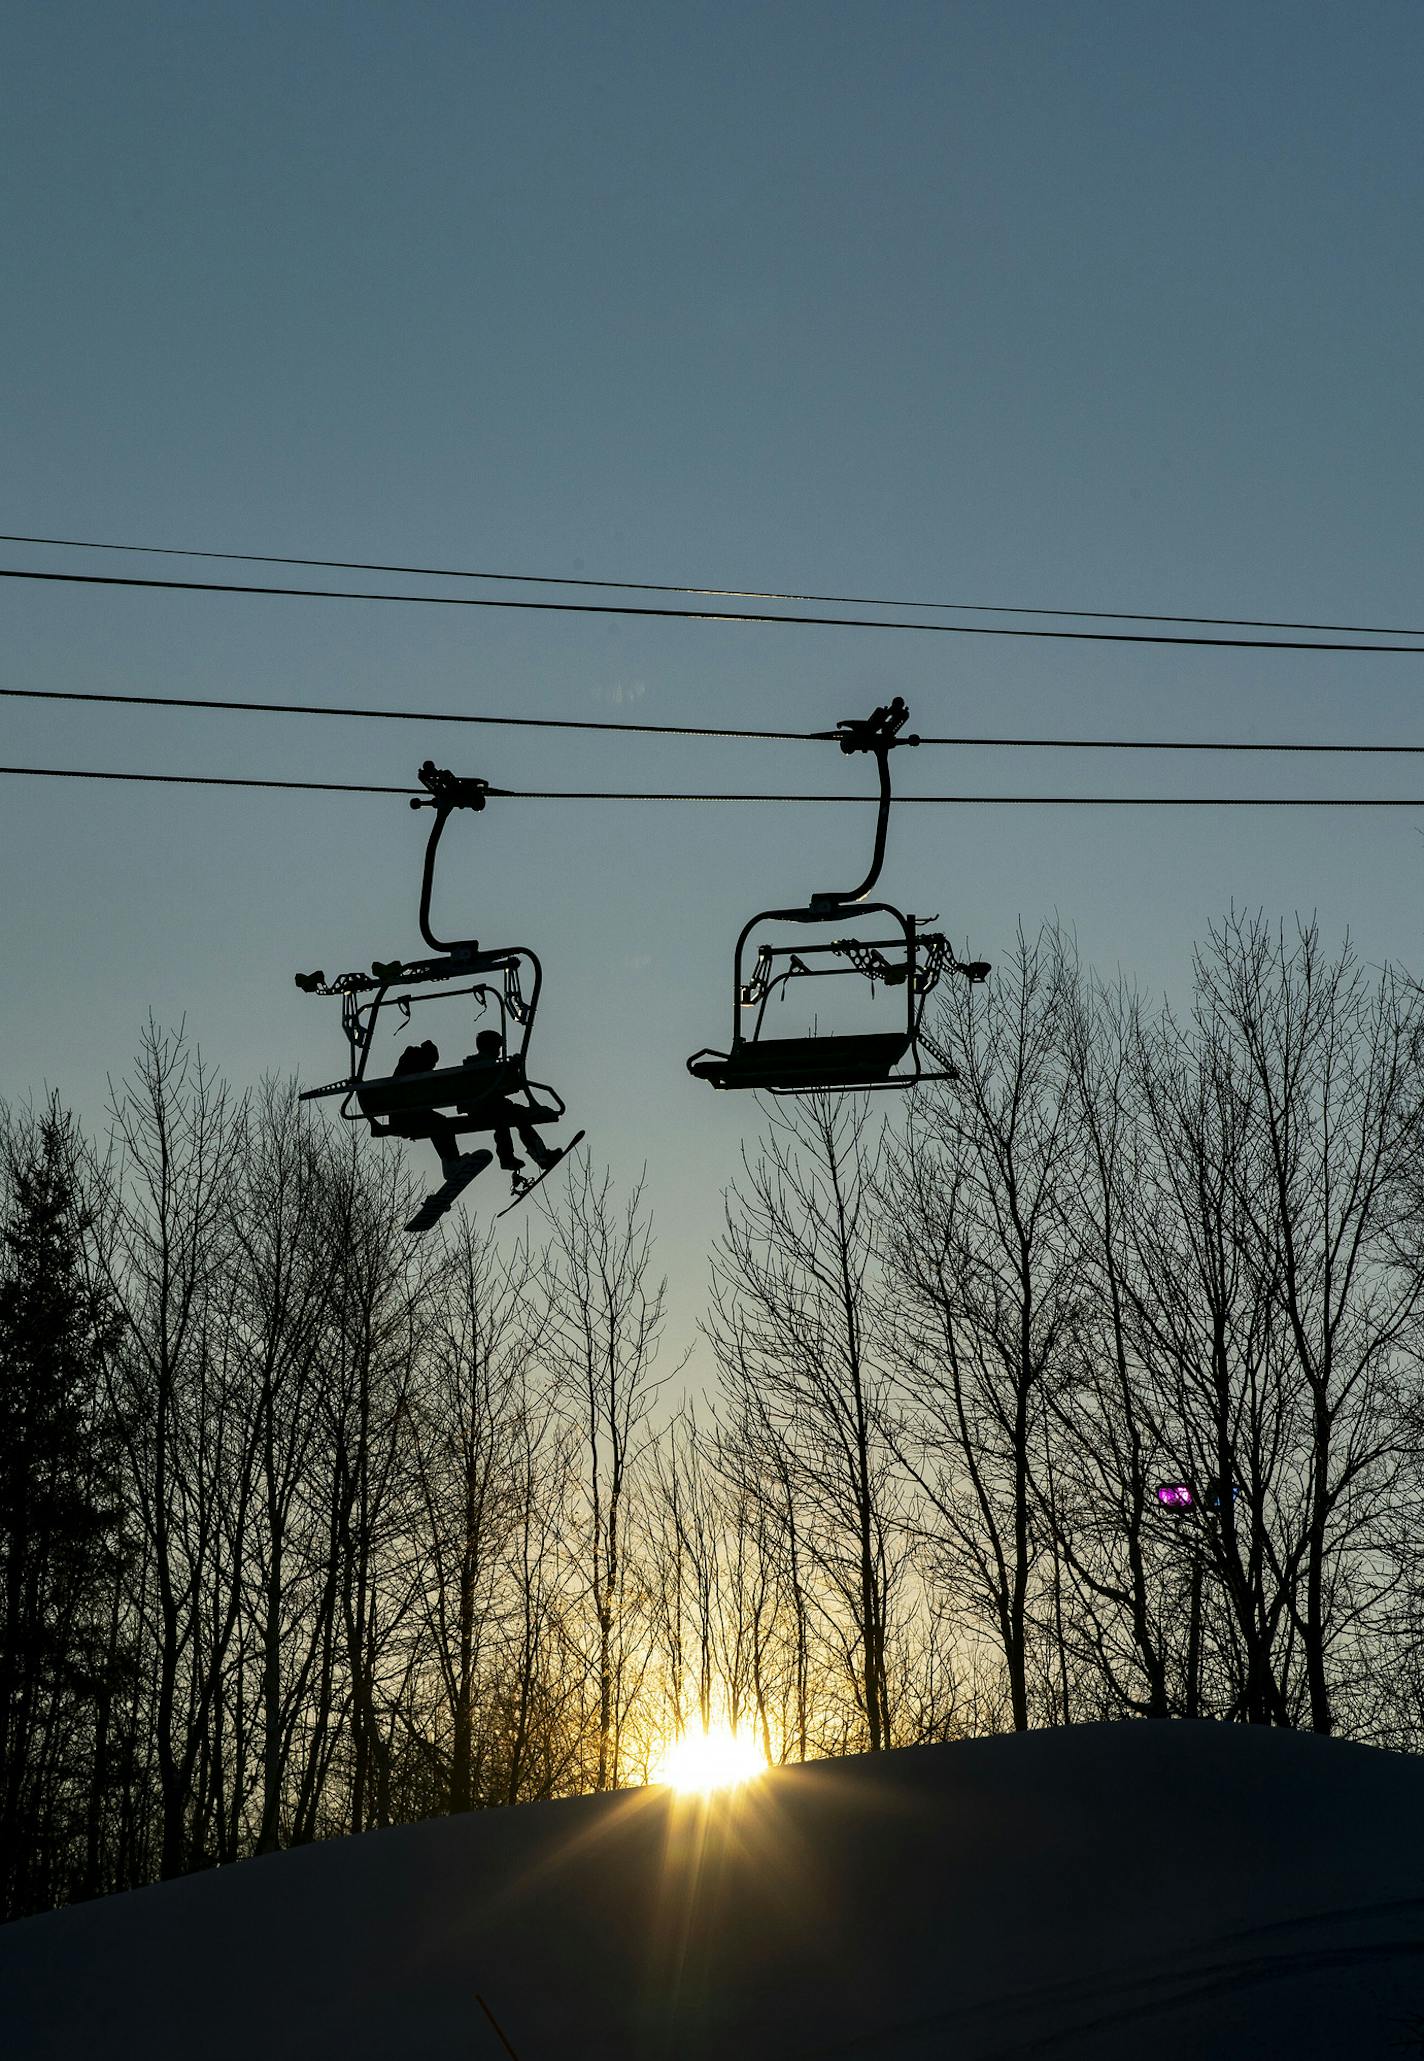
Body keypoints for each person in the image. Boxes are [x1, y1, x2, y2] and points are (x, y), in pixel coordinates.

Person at [471, 1027, 557, 1183]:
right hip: (492, 1108)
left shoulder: (473, 1065)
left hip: (480, 1108)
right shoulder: (488, 1067)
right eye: (498, 1047)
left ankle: (513, 1156)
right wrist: (514, 1066)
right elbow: (509, 1084)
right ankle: (539, 1154)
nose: (499, 1051)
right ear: (492, 1047)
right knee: (518, 1118)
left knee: (509, 1119)